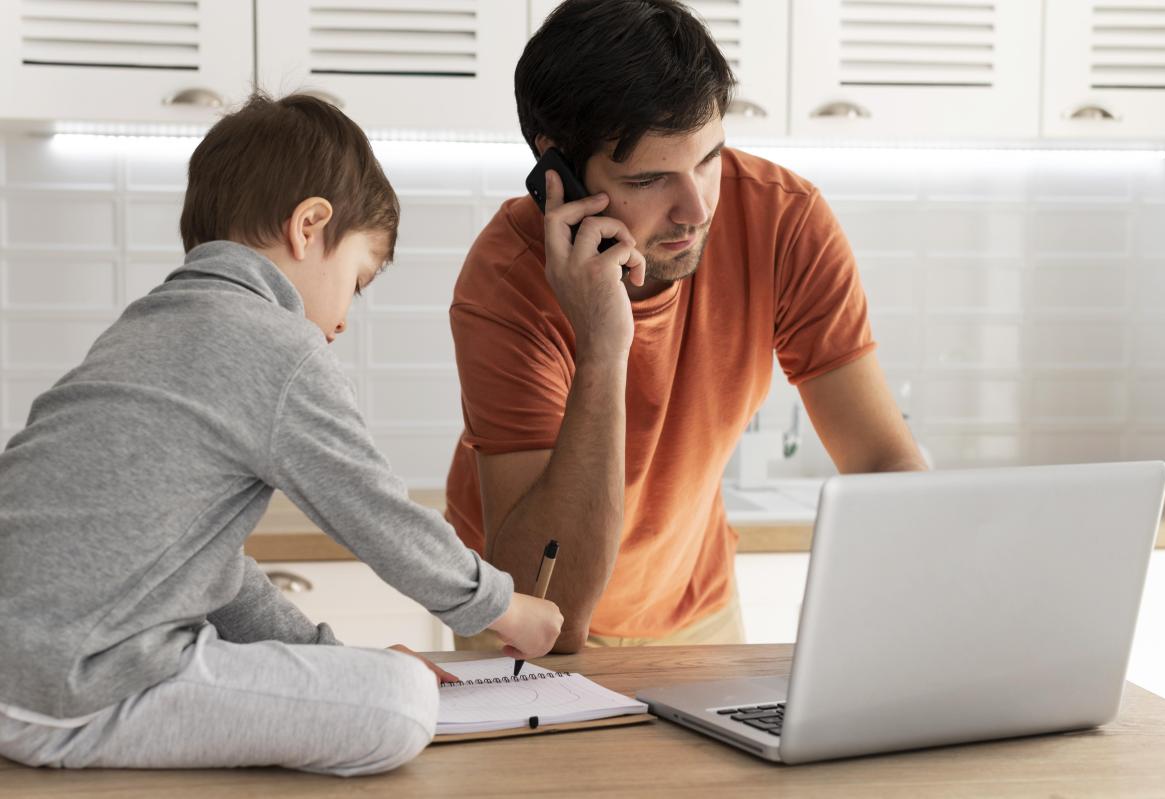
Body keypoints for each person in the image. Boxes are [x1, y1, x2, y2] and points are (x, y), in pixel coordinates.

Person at [0, 93, 562, 776]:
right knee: (403, 699)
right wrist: (504, 608)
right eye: (357, 280)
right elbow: (377, 514)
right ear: (309, 226)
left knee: (361, 674)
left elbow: (218, 573)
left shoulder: (143, 330)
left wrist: (327, 658)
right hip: (74, 692)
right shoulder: (278, 345)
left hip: (22, 672)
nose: (343, 320)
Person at [445, 0, 926, 653]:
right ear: (556, 170)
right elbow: (550, 611)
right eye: (649, 179)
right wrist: (605, 345)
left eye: (709, 159)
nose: (697, 209)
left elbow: (880, 459)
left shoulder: (784, 219)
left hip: (697, 610)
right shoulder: (506, 283)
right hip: (521, 617)